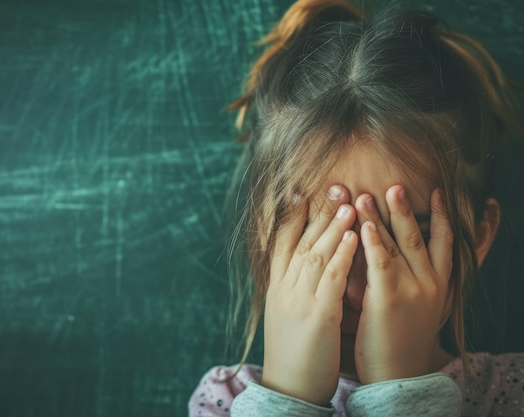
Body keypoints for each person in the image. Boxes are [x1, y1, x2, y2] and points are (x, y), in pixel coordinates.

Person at [189, 0, 524, 416]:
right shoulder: (223, 402)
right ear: (266, 235)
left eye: (406, 241)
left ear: (475, 238)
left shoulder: (512, 395)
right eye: (320, 239)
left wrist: (402, 396)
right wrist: (286, 399)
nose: (356, 291)